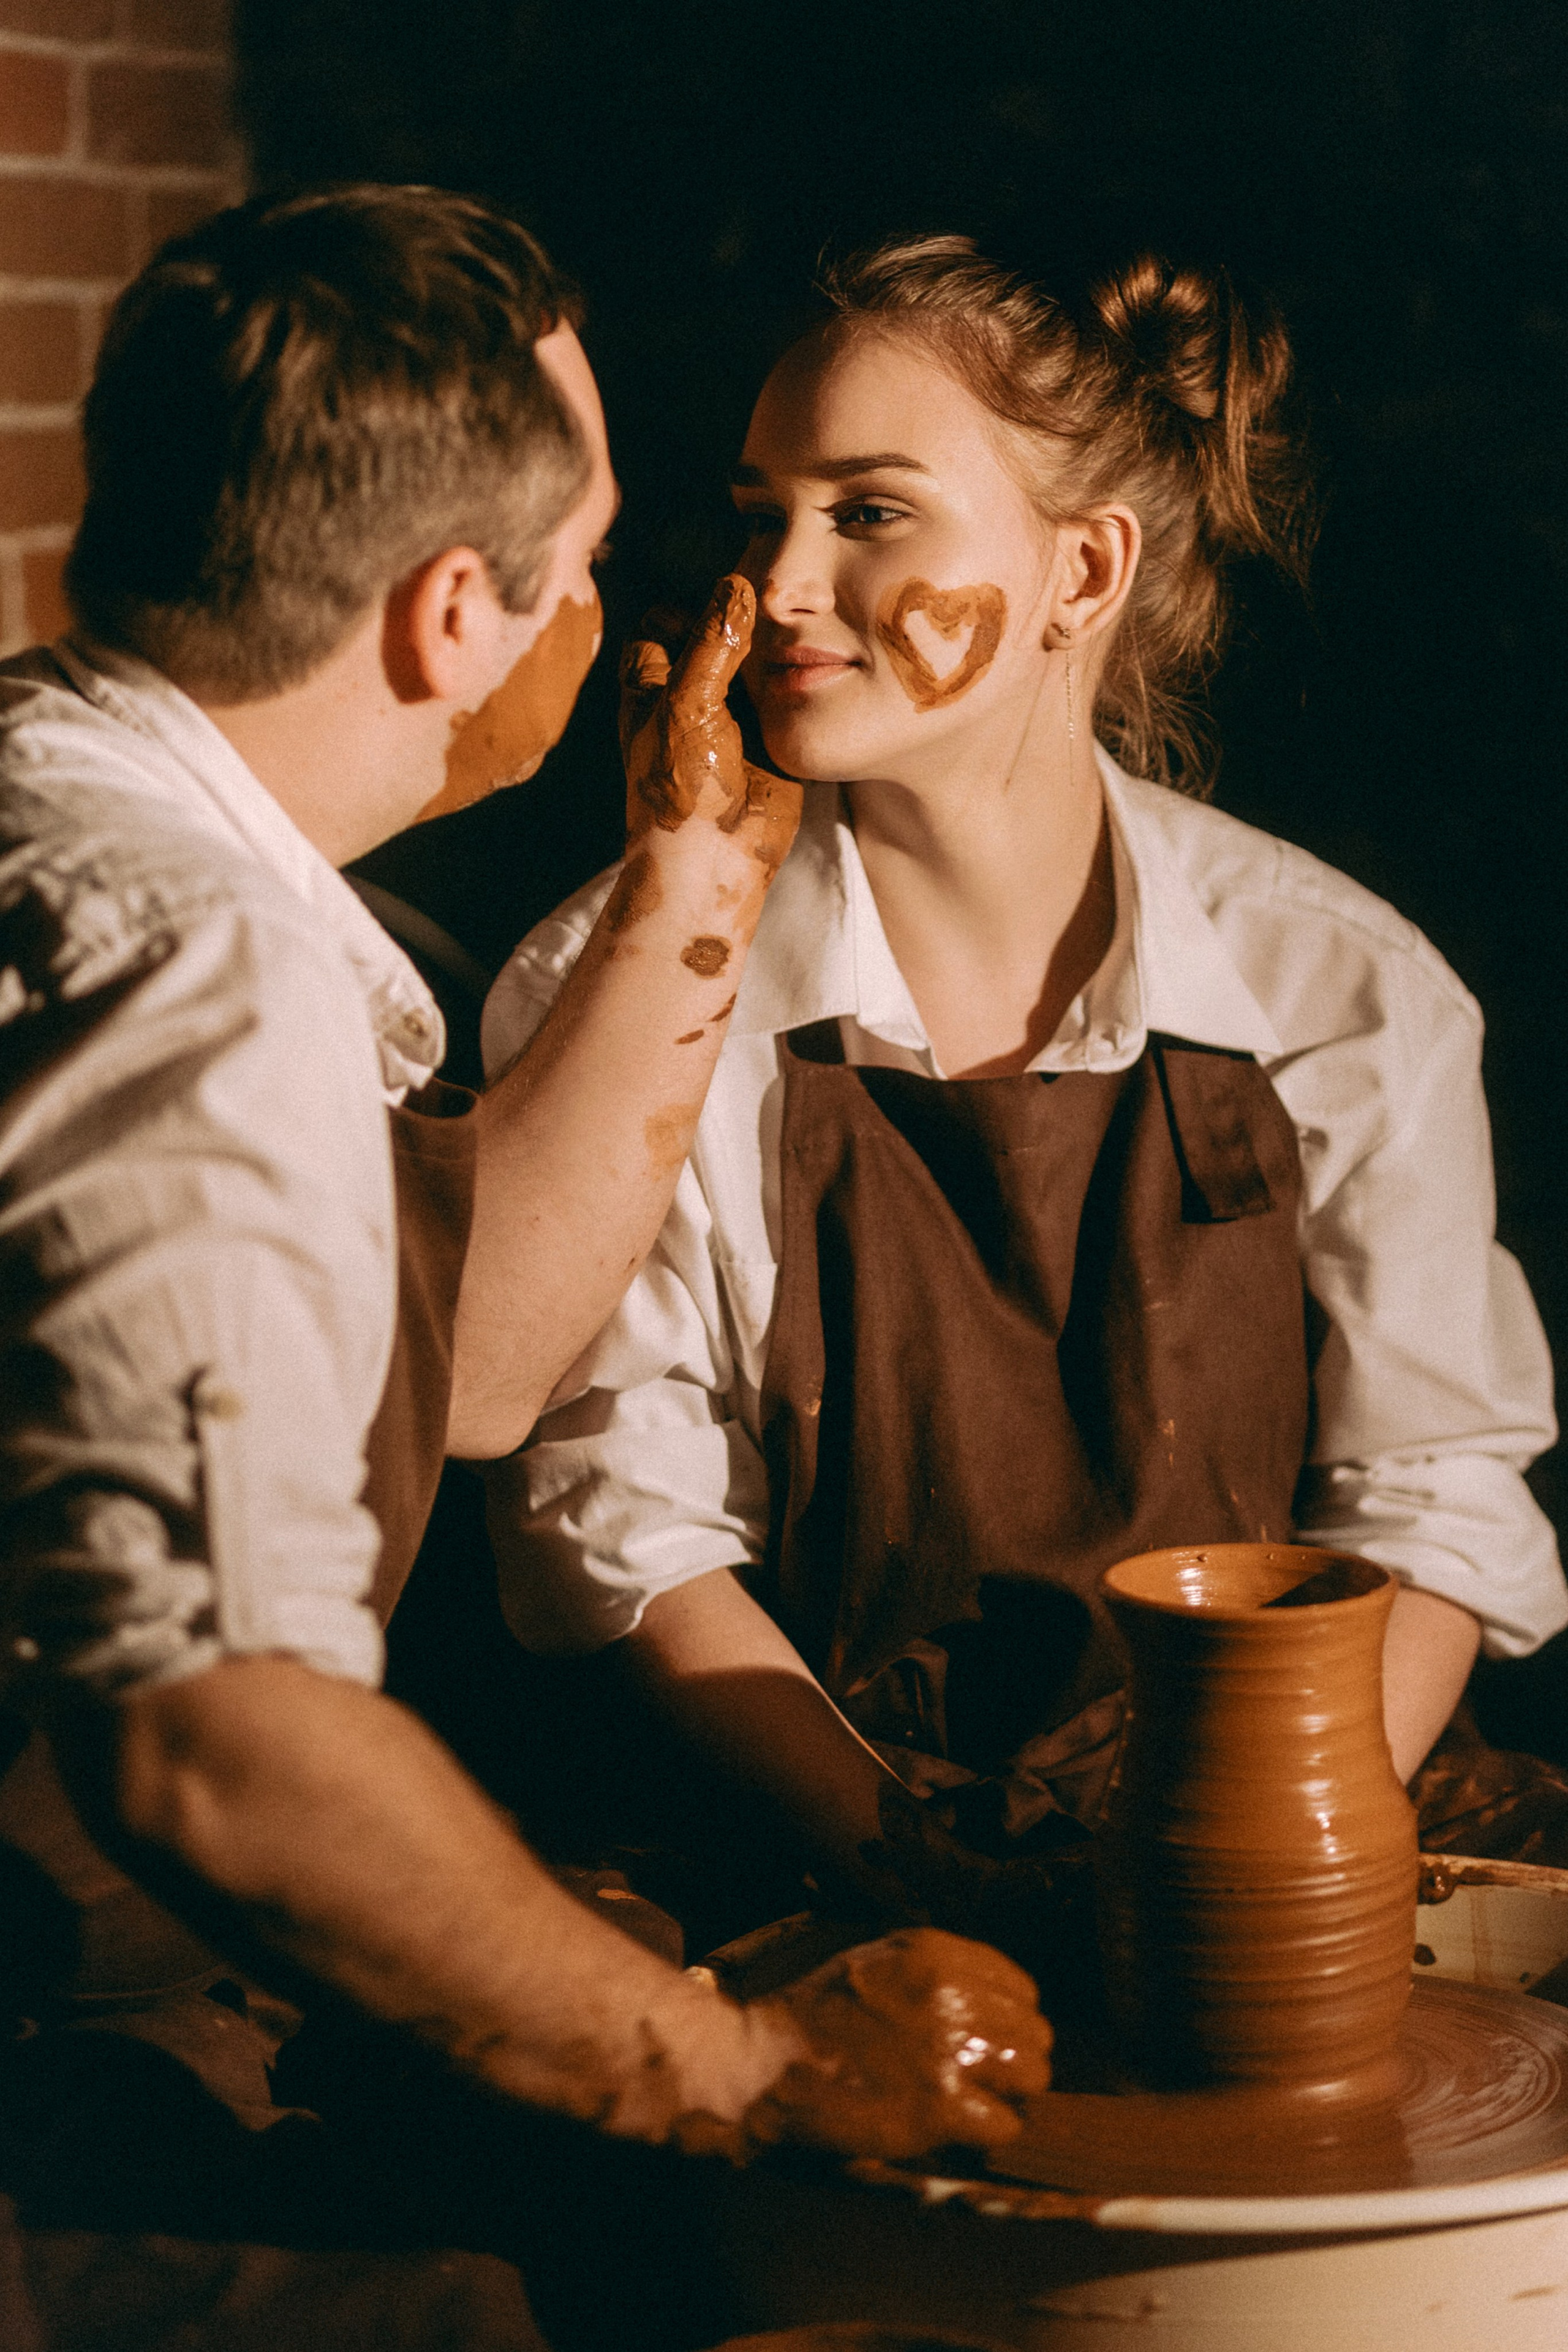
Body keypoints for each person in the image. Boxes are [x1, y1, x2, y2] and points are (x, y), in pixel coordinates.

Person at [0, 193, 1051, 2352]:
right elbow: (220, 1746)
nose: (650, 612)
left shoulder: (70, 779)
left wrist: (697, 878)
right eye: (582, 569)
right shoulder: (189, 968)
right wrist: (736, 2066)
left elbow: (460, 1378)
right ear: (452, 611)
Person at [483, 234, 1568, 1942]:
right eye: (762, 515)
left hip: (1283, 1811)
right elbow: (627, 1533)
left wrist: (1270, 1847)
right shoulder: (615, 994)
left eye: (869, 513)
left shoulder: (1344, 992)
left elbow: (1433, 1501)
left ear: (1085, 571)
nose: (779, 585)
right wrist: (922, 1878)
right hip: (810, 1827)